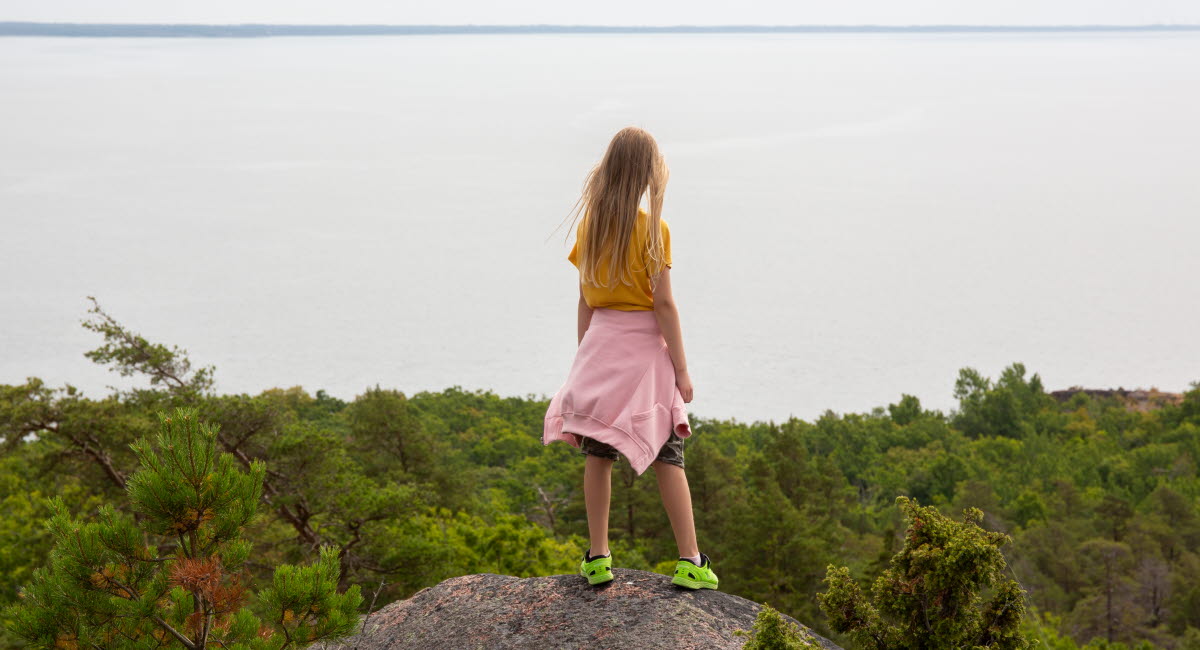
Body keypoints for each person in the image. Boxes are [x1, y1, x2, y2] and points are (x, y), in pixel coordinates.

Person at [542, 126, 718, 591]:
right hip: (643, 356)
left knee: (597, 454)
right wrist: (681, 369)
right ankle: (690, 561)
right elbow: (663, 305)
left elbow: (585, 300)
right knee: (668, 455)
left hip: (599, 346)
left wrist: (585, 357)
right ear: (646, 174)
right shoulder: (653, 229)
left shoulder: (591, 226)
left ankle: (598, 557)